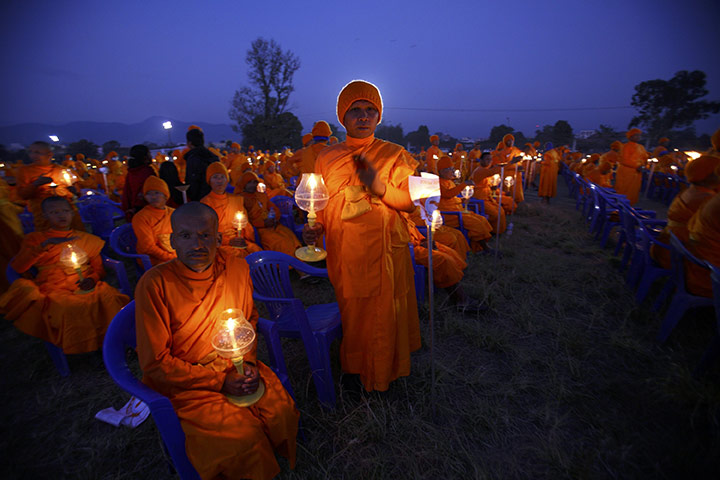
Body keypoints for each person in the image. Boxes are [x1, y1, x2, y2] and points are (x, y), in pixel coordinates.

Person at [135, 202, 299, 479]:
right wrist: (219, 382)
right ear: (173, 241)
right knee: (242, 438)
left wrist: (245, 364)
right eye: (185, 236)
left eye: (205, 235)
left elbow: (249, 321)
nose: (196, 244)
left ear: (219, 238)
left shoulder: (236, 269)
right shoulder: (154, 284)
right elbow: (155, 363)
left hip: (232, 363)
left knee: (280, 413)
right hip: (187, 380)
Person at [304, 79, 421, 392]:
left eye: (370, 110)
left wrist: (378, 186)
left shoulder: (396, 155)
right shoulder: (326, 157)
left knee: (384, 313)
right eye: (355, 110)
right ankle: (357, 369)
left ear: (379, 117)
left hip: (385, 251)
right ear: (343, 117)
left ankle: (384, 374)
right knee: (354, 311)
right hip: (346, 250)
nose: (363, 116)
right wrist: (314, 227)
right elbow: (321, 202)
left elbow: (412, 203)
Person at [0, 196, 129, 353]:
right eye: (54, 212)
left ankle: (114, 342)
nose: (61, 215)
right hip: (54, 287)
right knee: (68, 307)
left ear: (72, 213)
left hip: (85, 284)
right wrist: (44, 246)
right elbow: (19, 267)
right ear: (45, 215)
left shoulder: (87, 239)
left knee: (108, 298)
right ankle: (85, 346)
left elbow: (99, 270)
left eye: (65, 211)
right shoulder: (35, 239)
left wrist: (92, 278)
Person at [651, 155, 720, 269]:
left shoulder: (691, 192)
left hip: (668, 248)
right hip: (678, 258)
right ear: (712, 177)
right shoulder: (705, 199)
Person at [16, 141, 85, 231]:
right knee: (51, 240)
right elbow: (22, 195)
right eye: (31, 152)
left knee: (76, 236)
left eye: (37, 152)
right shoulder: (24, 171)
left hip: (67, 210)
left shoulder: (61, 169)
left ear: (49, 154)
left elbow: (77, 192)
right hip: (44, 213)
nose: (33, 156)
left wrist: (74, 191)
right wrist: (36, 184)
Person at [201, 162, 262, 255]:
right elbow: (206, 232)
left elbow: (246, 224)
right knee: (237, 258)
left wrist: (243, 238)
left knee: (256, 252)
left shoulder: (236, 199)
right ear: (209, 181)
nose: (219, 181)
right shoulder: (205, 203)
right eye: (215, 177)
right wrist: (227, 241)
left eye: (222, 177)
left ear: (227, 180)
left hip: (239, 239)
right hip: (220, 244)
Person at [437, 156, 494, 253]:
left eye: (453, 169)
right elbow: (447, 194)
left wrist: (462, 199)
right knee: (477, 223)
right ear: (442, 171)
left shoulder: (450, 182)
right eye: (450, 169)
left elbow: (452, 196)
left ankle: (477, 247)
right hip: (449, 215)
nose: (453, 171)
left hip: (458, 210)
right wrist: (464, 184)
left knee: (482, 219)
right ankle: (485, 248)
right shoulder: (437, 183)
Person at [237, 171, 301, 257]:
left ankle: (298, 261)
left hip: (272, 224)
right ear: (244, 184)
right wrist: (263, 223)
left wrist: (274, 219)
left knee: (290, 235)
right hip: (259, 230)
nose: (252, 185)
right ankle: (287, 265)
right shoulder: (240, 199)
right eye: (249, 183)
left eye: (255, 182)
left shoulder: (261, 195)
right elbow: (246, 220)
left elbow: (274, 208)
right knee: (280, 242)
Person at [132, 177, 176, 266]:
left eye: (157, 193)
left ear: (165, 195)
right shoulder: (141, 217)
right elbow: (148, 247)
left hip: (177, 254)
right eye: (149, 194)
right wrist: (170, 258)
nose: (153, 197)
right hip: (155, 259)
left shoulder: (174, 213)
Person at [121, 144, 157, 222]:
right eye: (149, 153)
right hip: (146, 210)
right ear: (145, 156)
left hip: (133, 209)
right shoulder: (147, 172)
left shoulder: (131, 172)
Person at [184, 127, 219, 202]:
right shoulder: (213, 157)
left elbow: (193, 181)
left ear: (189, 143)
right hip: (215, 196)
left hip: (200, 199)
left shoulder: (193, 158)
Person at [615, 128, 648, 205]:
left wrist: (643, 165)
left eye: (639, 135)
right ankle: (620, 206)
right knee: (624, 189)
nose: (638, 137)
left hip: (637, 173)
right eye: (636, 135)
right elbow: (624, 160)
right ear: (630, 137)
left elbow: (645, 158)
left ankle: (630, 206)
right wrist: (637, 166)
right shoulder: (625, 147)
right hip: (626, 172)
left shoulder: (641, 147)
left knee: (634, 190)